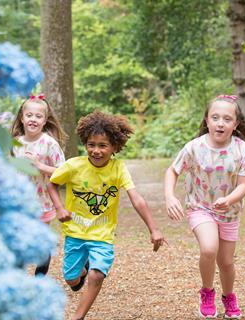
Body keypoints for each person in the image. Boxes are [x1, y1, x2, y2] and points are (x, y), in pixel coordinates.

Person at [48, 110, 167, 320]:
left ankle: (78, 316)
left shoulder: (118, 168)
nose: (96, 150)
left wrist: (154, 228)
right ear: (85, 143)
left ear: (114, 147)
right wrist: (59, 207)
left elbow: (136, 198)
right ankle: (82, 269)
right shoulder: (73, 166)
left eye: (102, 145)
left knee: (97, 274)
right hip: (75, 233)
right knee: (72, 280)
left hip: (102, 236)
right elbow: (52, 183)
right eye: (91, 144)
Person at [164, 94, 245, 319]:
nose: (220, 123)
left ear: (236, 124)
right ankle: (207, 292)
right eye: (215, 117)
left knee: (226, 262)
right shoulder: (194, 147)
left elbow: (243, 186)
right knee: (209, 248)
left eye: (226, 119)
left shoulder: (242, 149)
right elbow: (172, 171)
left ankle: (229, 296)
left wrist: (230, 200)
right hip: (200, 207)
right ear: (206, 121)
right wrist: (170, 196)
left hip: (229, 212)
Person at [10, 93, 66, 276]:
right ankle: (19, 278)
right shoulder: (15, 143)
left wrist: (40, 166)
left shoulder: (49, 143)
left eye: (38, 116)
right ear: (22, 117)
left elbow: (63, 171)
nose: (33, 119)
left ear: (45, 120)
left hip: (42, 202)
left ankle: (39, 279)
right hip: (19, 203)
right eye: (29, 115)